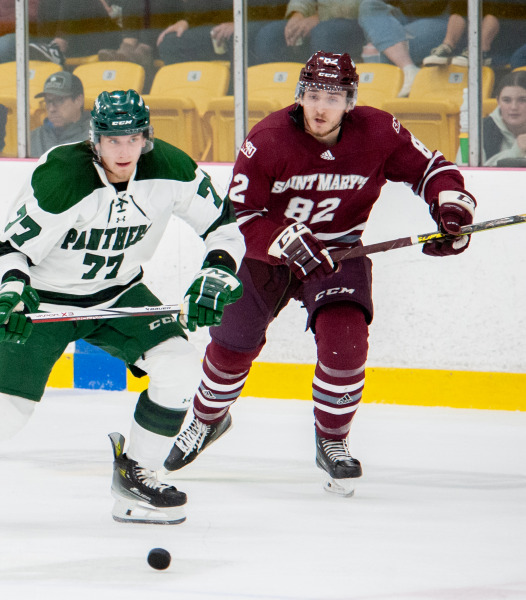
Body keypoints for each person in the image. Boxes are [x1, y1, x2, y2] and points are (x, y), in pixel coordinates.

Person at [0, 89, 246, 526]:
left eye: (133, 139)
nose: (124, 149)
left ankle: (137, 477)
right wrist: (12, 291)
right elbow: (8, 250)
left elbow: (224, 227)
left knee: (179, 366)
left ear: (146, 137)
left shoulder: (172, 168)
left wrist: (217, 272)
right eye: (113, 140)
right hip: (44, 300)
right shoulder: (62, 176)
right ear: (94, 139)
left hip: (118, 293)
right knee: (1, 415)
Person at [164, 51, 477, 498]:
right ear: (299, 96)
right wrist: (284, 239)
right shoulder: (268, 139)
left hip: (338, 254)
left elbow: (431, 169)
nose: (320, 107)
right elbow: (238, 216)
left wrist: (450, 207)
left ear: (350, 101)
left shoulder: (378, 130)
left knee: (346, 343)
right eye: (312, 94)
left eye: (332, 97)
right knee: (232, 345)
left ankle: (332, 437)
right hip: (266, 257)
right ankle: (206, 418)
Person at [357, 0, 449, 96]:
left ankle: (405, 72)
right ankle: (410, 69)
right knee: (369, 5)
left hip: (443, 19)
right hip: (405, 15)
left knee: (377, 50)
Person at [423, 1, 526, 67]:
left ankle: (479, 51)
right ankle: (447, 47)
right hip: (484, 28)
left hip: (514, 30)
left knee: (499, 4)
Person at [458, 70, 526, 167]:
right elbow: (465, 172)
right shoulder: (478, 132)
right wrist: (516, 151)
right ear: (498, 101)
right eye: (506, 100)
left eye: (523, 100)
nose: (513, 107)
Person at [29, 71, 90, 157]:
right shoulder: (33, 138)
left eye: (59, 100)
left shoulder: (96, 139)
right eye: (48, 101)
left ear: (78, 100)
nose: (51, 109)